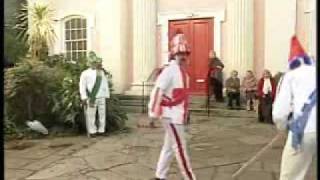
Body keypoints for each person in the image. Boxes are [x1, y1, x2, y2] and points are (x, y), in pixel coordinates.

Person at [148, 31, 196, 180]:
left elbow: (182, 97)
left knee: (169, 147)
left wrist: (185, 114)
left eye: (185, 54)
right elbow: (157, 91)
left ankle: (160, 175)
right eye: (180, 54)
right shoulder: (169, 70)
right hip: (171, 116)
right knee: (180, 149)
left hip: (177, 115)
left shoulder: (182, 73)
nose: (183, 57)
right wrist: (153, 113)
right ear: (174, 55)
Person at [272, 36, 316, 180]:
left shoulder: (291, 75)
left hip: (306, 130)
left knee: (291, 176)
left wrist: (282, 127)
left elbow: (280, 111)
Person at [79, 51, 110, 137]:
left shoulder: (101, 72)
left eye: (95, 62)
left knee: (102, 114)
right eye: (92, 62)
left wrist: (106, 95)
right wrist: (84, 97)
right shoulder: (85, 73)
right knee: (91, 115)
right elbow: (82, 86)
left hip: (102, 96)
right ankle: (92, 131)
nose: (94, 64)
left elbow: (105, 84)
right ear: (89, 63)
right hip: (92, 97)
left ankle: (101, 130)